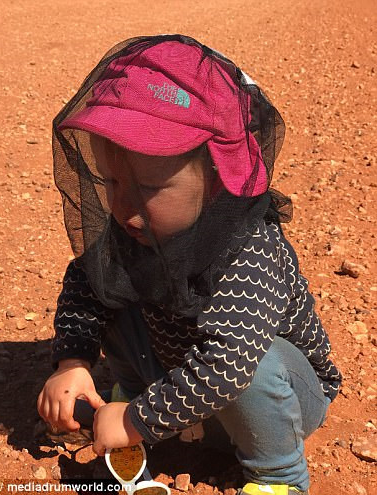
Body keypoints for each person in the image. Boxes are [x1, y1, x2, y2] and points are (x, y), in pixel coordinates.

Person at [37, 35, 341, 495]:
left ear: (216, 178)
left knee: (254, 363)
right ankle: (140, 399)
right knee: (111, 283)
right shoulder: (136, 228)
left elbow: (227, 365)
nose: (124, 206)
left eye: (148, 188)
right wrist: (72, 360)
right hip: (179, 383)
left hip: (277, 403)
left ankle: (278, 475)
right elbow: (85, 285)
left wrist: (135, 421)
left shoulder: (249, 248)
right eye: (111, 181)